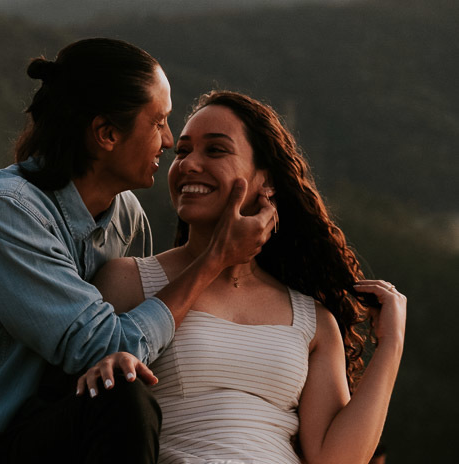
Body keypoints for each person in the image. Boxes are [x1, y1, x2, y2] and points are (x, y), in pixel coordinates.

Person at [0, 40, 277, 464]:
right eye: (160, 123)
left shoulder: (126, 216)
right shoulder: (5, 210)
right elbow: (108, 347)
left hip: (79, 434)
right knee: (120, 395)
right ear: (107, 134)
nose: (168, 142)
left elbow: (150, 340)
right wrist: (214, 259)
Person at [78, 90, 407, 464]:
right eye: (181, 151)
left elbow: (336, 459)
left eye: (215, 150)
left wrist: (391, 344)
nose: (188, 164)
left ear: (266, 181)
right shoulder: (129, 281)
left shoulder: (313, 320)